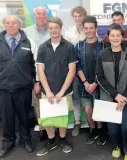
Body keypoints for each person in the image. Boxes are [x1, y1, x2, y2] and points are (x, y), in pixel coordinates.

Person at [96, 23, 127, 160]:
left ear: (122, 36)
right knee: (113, 130)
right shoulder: (102, 54)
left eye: (118, 35)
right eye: (112, 35)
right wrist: (115, 95)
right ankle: (117, 146)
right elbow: (99, 77)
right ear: (108, 37)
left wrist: (123, 96)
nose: (115, 38)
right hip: (109, 98)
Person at [36, 17, 77, 156]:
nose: (53, 30)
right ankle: (51, 141)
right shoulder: (42, 47)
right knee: (48, 117)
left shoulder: (69, 47)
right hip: (46, 90)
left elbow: (72, 71)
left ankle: (63, 139)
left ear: (61, 28)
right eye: (51, 28)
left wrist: (61, 92)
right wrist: (47, 91)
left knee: (62, 117)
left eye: (56, 27)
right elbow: (40, 70)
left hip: (64, 91)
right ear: (48, 29)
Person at [0, 15, 36, 158]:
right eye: (7, 23)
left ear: (19, 25)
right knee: (6, 118)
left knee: (24, 116)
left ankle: (26, 140)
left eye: (14, 23)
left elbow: (35, 64)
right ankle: (8, 142)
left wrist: (36, 82)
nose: (11, 25)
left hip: (23, 86)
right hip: (3, 87)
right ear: (4, 25)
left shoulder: (29, 42)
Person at [75, 16, 106, 145]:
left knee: (98, 109)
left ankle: (101, 131)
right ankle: (92, 130)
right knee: (88, 109)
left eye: (91, 28)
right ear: (83, 28)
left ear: (96, 28)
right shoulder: (78, 45)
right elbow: (78, 66)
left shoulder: (104, 45)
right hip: (85, 84)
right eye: (86, 28)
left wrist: (95, 83)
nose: (88, 30)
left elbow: (105, 67)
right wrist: (85, 83)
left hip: (99, 84)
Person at [23, 5, 49, 141]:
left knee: (52, 101)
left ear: (47, 15)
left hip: (52, 74)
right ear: (34, 15)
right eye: (38, 14)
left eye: (43, 14)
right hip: (35, 74)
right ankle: (43, 127)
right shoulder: (25, 32)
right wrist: (36, 80)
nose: (41, 17)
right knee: (39, 103)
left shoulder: (53, 29)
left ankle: (53, 127)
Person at [64, 6, 87, 137]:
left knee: (90, 96)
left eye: (80, 16)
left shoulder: (89, 30)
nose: (78, 18)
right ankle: (77, 122)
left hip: (87, 68)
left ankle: (94, 123)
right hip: (73, 69)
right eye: (76, 16)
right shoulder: (68, 32)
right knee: (76, 96)